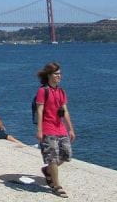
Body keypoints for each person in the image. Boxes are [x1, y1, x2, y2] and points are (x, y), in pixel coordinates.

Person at [35, 62, 76, 199]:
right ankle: (56, 185)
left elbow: (65, 111)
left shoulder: (61, 91)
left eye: (60, 74)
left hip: (60, 128)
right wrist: (40, 130)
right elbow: (40, 111)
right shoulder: (43, 91)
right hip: (48, 128)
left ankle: (47, 171)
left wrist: (70, 129)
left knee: (66, 155)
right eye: (56, 74)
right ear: (49, 75)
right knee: (52, 158)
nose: (59, 76)